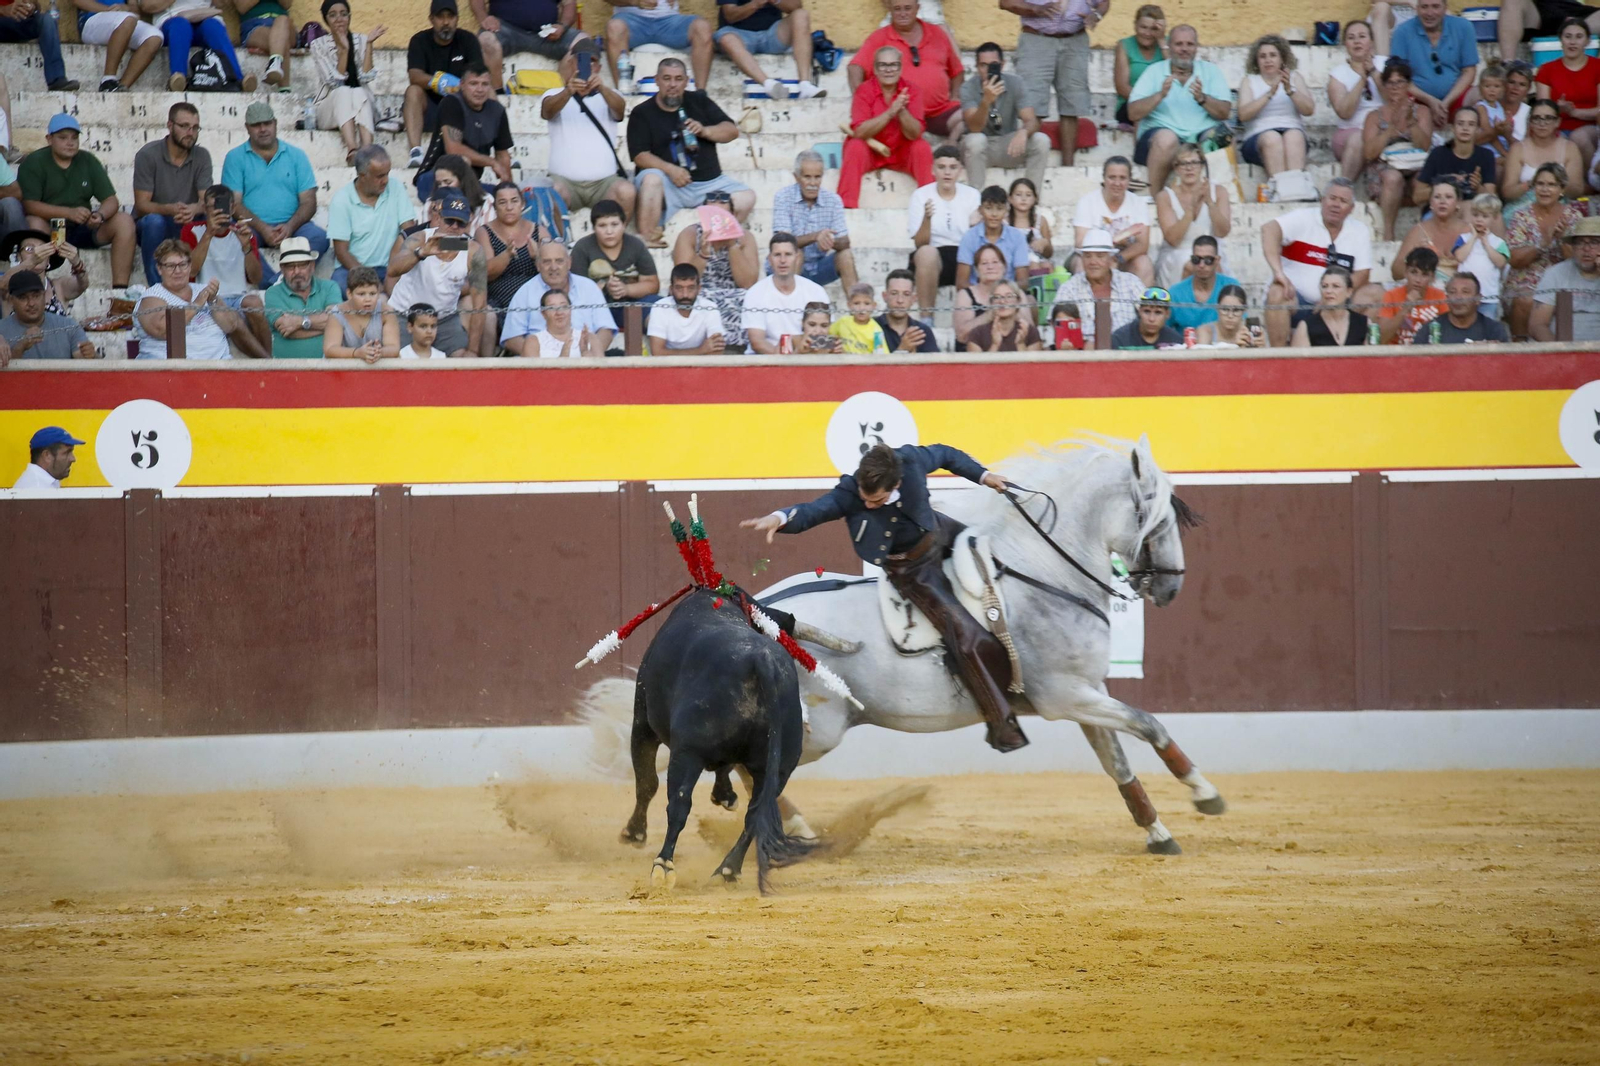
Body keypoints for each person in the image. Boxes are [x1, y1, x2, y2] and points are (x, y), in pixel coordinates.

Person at [740, 441, 1027, 752]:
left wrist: (985, 476)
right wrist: (779, 518)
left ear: (898, 482)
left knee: (1003, 567)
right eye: (866, 498)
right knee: (965, 634)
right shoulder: (851, 492)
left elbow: (947, 455)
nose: (869, 504)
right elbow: (815, 510)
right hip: (912, 569)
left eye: (877, 500)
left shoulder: (911, 461)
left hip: (942, 531)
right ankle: (1001, 721)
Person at [627, 58, 753, 245]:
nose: (672, 85)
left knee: (746, 198)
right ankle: (648, 238)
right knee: (651, 178)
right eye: (667, 78)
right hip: (669, 184)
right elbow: (639, 156)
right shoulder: (642, 112)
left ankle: (716, 240)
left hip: (709, 184)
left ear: (686, 81)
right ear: (657, 80)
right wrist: (671, 170)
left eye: (678, 79)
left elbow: (731, 131)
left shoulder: (699, 101)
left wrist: (705, 130)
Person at [20, 114, 137, 310]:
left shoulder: (87, 160)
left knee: (124, 221)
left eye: (74, 138)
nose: (70, 143)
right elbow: (29, 205)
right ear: (49, 139)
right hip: (50, 228)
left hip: (82, 227)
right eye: (63, 137)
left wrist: (99, 216)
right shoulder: (35, 162)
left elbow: (110, 200)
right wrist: (68, 212)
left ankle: (119, 293)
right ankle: (36, 287)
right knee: (33, 222)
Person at [1262, 178, 1377, 346]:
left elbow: (1363, 273)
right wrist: (1278, 272)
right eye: (1332, 198)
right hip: (1298, 302)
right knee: (1276, 293)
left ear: (1351, 209)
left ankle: (1358, 353)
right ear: (1322, 200)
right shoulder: (1303, 218)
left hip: (1338, 303)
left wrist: (1331, 297)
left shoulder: (1359, 230)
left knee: (1376, 294)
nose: (1336, 204)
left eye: (1343, 201)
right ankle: (1279, 359)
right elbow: (1269, 229)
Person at [1126, 24, 1232, 195]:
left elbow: (1224, 112)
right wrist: (1160, 95)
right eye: (1179, 44)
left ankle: (1216, 201)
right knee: (1167, 138)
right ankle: (1156, 199)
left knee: (1221, 137)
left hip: (1199, 139)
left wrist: (1202, 98)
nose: (1184, 49)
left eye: (1190, 44)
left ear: (1196, 47)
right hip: (1158, 141)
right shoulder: (1154, 71)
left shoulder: (1211, 71)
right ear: (1169, 46)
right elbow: (1132, 113)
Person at [997, 0, 1106, 163]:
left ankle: (1068, 167)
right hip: (1036, 38)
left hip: (1075, 39)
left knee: (1072, 106)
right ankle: (1027, 165)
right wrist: (1035, 8)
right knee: (1032, 107)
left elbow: (1104, 3)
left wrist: (1096, 15)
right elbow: (1005, 3)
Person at [222, 102, 326, 268]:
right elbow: (234, 204)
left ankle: (281, 280)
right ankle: (274, 283)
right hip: (253, 228)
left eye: (267, 123)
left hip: (294, 227)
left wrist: (290, 227)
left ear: (275, 124)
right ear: (247, 128)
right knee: (234, 240)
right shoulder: (235, 157)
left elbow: (309, 202)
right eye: (256, 125)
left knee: (319, 237)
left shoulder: (297, 156)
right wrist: (263, 228)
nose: (263, 129)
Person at [388, 189, 488, 358]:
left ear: (468, 223)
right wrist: (420, 254)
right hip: (405, 316)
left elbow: (480, 304)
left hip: (444, 319)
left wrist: (472, 350)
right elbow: (393, 270)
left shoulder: (472, 250)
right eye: (450, 220)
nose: (454, 227)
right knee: (397, 363)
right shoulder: (420, 238)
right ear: (439, 218)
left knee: (462, 359)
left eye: (460, 223)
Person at [847, 0, 964, 139]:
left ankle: (950, 148)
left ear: (917, 9)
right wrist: (863, 102)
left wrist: (955, 96)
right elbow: (854, 67)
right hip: (900, 115)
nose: (903, 14)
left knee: (968, 117)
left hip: (939, 112)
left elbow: (957, 70)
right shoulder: (879, 37)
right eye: (897, 9)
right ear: (890, 10)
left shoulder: (937, 33)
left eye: (907, 8)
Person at [541, 47, 634, 219]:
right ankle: (556, 244)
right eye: (582, 60)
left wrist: (603, 89)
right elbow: (547, 112)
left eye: (593, 61)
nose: (589, 65)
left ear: (599, 67)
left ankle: (620, 244)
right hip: (565, 182)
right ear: (571, 63)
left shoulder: (610, 94)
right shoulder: (554, 93)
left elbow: (620, 112)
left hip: (604, 184)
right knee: (551, 193)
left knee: (627, 192)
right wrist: (569, 91)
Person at [840, 46, 935, 210]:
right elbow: (860, 132)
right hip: (871, 151)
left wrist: (902, 110)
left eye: (893, 65)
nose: (888, 70)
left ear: (900, 68)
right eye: (883, 65)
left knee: (922, 147)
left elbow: (914, 134)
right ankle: (846, 207)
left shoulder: (913, 91)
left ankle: (931, 207)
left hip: (901, 151)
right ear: (875, 69)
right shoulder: (864, 90)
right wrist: (890, 112)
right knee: (855, 146)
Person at [181, 184, 270, 358]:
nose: (217, 211)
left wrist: (246, 246)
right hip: (207, 298)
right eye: (213, 207)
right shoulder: (191, 230)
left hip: (238, 296)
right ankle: (269, 363)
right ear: (205, 208)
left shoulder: (243, 232)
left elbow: (256, 277)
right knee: (229, 315)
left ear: (232, 208)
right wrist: (208, 234)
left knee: (254, 303)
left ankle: (269, 361)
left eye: (221, 206)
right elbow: (190, 272)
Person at [132, 102, 211, 288]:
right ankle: (158, 288)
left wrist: (194, 208)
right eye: (184, 126)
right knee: (153, 221)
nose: (190, 133)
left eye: (195, 127)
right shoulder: (148, 154)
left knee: (219, 217)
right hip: (157, 222)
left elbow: (206, 199)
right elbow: (142, 204)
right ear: (170, 126)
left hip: (188, 220)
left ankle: (213, 285)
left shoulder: (201, 155)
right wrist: (170, 209)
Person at [137, 239, 253, 360]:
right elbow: (161, 330)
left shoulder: (203, 290)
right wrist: (196, 305)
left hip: (219, 364)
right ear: (159, 269)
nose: (178, 271)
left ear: (190, 266)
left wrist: (212, 300)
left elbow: (230, 326)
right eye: (170, 266)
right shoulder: (152, 296)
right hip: (172, 368)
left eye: (182, 265)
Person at [1506, 162, 1585, 336]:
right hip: (1526, 279)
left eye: (1551, 185)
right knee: (1525, 299)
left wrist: (1563, 239)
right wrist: (1543, 243)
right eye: (1540, 184)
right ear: (1533, 187)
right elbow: (1514, 260)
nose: (1545, 189)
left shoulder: (1574, 217)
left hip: (1564, 280)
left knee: (1565, 300)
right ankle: (1519, 349)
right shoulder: (1521, 216)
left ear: (1561, 189)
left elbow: (1578, 263)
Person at [959, 42, 1050, 191]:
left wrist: (1024, 132)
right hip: (979, 149)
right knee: (976, 141)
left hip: (1008, 145)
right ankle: (975, 199)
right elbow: (974, 128)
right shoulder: (968, 88)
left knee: (1041, 140)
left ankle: (1031, 199)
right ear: (977, 67)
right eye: (983, 65)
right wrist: (986, 101)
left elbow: (1032, 120)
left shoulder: (1016, 83)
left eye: (993, 64)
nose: (988, 70)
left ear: (1002, 65)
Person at [404, 0, 484, 169]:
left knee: (487, 90)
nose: (446, 22)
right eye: (440, 17)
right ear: (431, 19)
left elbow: (479, 76)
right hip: (431, 110)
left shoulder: (468, 40)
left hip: (462, 108)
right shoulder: (419, 40)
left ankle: (502, 150)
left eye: (450, 16)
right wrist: (441, 82)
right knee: (413, 91)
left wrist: (461, 88)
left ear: (457, 19)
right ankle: (416, 153)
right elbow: (414, 76)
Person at [500, 240, 615, 356]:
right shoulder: (525, 292)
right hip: (541, 365)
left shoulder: (589, 287)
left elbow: (606, 330)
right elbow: (512, 339)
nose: (553, 267)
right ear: (538, 265)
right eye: (546, 262)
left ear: (569, 263)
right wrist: (545, 360)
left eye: (559, 261)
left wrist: (588, 355)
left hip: (586, 360)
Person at [416, 63, 512, 199]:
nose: (480, 89)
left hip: (469, 184)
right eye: (473, 84)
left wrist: (509, 191)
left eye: (485, 84)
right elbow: (454, 150)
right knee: (462, 165)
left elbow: (503, 156)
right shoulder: (451, 103)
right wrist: (491, 162)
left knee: (506, 198)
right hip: (434, 179)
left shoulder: (497, 111)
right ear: (462, 85)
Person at [672, 199, 757, 352]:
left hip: (733, 293)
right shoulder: (690, 234)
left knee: (747, 298)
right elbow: (683, 277)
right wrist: (704, 253)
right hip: (698, 291)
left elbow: (748, 283)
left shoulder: (745, 237)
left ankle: (734, 348)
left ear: (732, 216)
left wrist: (732, 245)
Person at [1363, 59, 1433, 241]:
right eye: (1390, 83)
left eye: (1400, 82)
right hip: (1385, 167)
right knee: (1392, 178)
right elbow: (1369, 153)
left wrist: (1411, 124)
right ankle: (1388, 234)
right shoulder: (1374, 116)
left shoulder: (1422, 112)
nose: (1395, 87)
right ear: (1384, 86)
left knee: (1423, 180)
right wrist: (1390, 131)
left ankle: (1426, 233)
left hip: (1415, 163)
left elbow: (1425, 145)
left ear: (1408, 85)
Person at [907, 144, 980, 316]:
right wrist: (927, 218)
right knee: (926, 253)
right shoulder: (921, 195)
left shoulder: (972, 195)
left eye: (953, 168)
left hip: (964, 255)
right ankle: (926, 319)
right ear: (933, 170)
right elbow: (920, 243)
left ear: (960, 170)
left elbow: (976, 237)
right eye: (941, 167)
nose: (947, 173)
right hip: (933, 257)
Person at [309, 0, 384, 164]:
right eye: (333, 15)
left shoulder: (362, 40)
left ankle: (366, 149)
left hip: (361, 101)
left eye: (344, 14)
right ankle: (352, 148)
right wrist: (344, 51)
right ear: (326, 19)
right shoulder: (318, 45)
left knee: (358, 91)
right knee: (343, 91)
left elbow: (366, 77)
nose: (339, 19)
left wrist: (369, 44)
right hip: (329, 108)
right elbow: (334, 82)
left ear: (349, 17)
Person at [329, 145, 409, 295]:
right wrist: (370, 281)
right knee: (338, 288)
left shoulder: (396, 188)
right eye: (380, 176)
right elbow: (341, 252)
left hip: (391, 266)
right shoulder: (341, 200)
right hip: (353, 268)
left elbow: (409, 232)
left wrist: (394, 271)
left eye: (387, 174)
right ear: (362, 175)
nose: (386, 180)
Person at [572, 197, 660, 333]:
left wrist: (626, 289)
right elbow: (576, 290)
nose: (609, 231)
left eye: (614, 224)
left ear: (624, 225)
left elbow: (652, 284)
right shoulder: (582, 248)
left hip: (631, 305)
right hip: (597, 308)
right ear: (593, 228)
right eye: (602, 225)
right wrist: (600, 288)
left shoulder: (636, 245)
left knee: (663, 307)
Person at [1237, 34, 1314, 189]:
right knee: (1271, 138)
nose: (1268, 60)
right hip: (1258, 138)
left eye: (1273, 55)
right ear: (1256, 61)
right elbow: (1243, 115)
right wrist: (1269, 94)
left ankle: (1298, 190)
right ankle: (1280, 190)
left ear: (1282, 58)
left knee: (1294, 135)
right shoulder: (1249, 81)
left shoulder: (1294, 77)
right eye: (1262, 56)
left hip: (1292, 132)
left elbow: (1309, 109)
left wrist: (1290, 91)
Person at [772, 149, 856, 289]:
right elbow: (783, 241)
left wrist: (829, 240)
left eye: (817, 177)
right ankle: (790, 308)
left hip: (818, 267)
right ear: (796, 177)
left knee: (845, 255)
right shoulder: (783, 197)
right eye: (807, 177)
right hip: (786, 266)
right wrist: (816, 236)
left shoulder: (833, 200)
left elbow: (845, 242)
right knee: (796, 254)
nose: (813, 183)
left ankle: (858, 307)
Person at [1388, 0, 1477, 126]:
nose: (1430, 13)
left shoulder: (1463, 27)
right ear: (1417, 8)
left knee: (1481, 96)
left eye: (1435, 7)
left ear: (1445, 7)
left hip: (1455, 97)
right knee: (1402, 101)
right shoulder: (1402, 32)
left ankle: (1479, 144)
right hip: (1418, 99)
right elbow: (1399, 77)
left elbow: (1469, 71)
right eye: (1424, 7)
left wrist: (1445, 103)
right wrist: (1430, 101)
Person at [714, 0, 825, 100]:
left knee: (801, 15)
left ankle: (805, 85)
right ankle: (768, 84)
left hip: (771, 34)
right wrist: (756, 4)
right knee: (726, 39)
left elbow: (796, 6)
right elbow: (730, 15)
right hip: (739, 35)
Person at [1154, 143, 1230, 287]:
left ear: (1202, 166)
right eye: (1183, 164)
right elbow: (1173, 240)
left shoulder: (1219, 191)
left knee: (1211, 262)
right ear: (1176, 168)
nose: (1189, 168)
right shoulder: (1165, 196)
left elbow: (1222, 232)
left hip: (1211, 251)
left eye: (1194, 163)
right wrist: (1190, 210)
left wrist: (1210, 203)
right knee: (1190, 264)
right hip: (1176, 253)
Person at [742, 231, 828, 354]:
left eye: (788, 254)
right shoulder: (755, 293)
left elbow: (825, 334)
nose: (783, 260)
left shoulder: (816, 291)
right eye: (777, 255)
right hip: (766, 360)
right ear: (770, 259)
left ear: (797, 257)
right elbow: (757, 342)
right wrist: (785, 360)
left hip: (805, 358)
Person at [1072, 155, 1152, 285]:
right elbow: (1080, 242)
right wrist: (1112, 243)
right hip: (1092, 256)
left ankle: (1141, 304)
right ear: (1104, 178)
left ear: (1129, 179)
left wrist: (1117, 258)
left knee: (1144, 263)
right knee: (1080, 264)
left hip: (1124, 257)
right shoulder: (1087, 202)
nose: (1117, 183)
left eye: (1122, 178)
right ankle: (1086, 303)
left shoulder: (1138, 203)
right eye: (1112, 177)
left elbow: (1143, 244)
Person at [473, 0, 586, 92]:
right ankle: (497, 95)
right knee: (486, 40)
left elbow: (569, 4)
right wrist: (484, 18)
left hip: (547, 34)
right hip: (505, 30)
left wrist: (562, 26)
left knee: (583, 43)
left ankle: (561, 95)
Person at [1056, 229, 1144, 345]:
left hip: (1127, 350)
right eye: (1087, 256)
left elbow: (1148, 315)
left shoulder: (1131, 283)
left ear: (1111, 259)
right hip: (1083, 354)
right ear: (1082, 259)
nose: (1093, 262)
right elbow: (1060, 327)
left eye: (1100, 256)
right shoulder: (1069, 288)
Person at [1535, 17, 1600, 171]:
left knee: (1579, 137)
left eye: (1579, 37)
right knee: (1558, 140)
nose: (1573, 42)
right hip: (1557, 126)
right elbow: (1542, 109)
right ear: (1561, 40)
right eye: (1568, 36)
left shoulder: (1598, 67)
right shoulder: (1547, 70)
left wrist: (1574, 112)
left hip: (1591, 127)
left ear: (1587, 41)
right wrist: (1557, 108)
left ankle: (1590, 180)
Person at [1503, 98, 1584, 219]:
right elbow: (1507, 192)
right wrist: (1532, 184)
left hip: (1559, 204)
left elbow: (1577, 190)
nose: (1542, 123)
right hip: (1523, 207)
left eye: (1548, 118)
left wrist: (1554, 185)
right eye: (1537, 118)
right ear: (1530, 122)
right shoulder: (1518, 149)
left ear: (1557, 122)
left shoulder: (1569, 148)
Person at [477, 180, 539, 337]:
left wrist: (537, 257)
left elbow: (554, 269)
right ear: (495, 207)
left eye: (514, 201)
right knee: (487, 314)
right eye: (502, 202)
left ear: (522, 204)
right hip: (499, 301)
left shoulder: (538, 230)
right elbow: (486, 273)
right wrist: (506, 255)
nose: (509, 207)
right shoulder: (484, 232)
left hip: (534, 299)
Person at [1328, 21, 1388, 184]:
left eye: (1362, 36)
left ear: (1372, 41)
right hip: (1350, 134)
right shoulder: (1338, 74)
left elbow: (1394, 99)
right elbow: (1344, 112)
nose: (1357, 41)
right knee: (1358, 138)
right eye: (1351, 38)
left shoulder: (1385, 64)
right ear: (1345, 44)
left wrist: (1374, 73)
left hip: (1383, 131)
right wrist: (1362, 79)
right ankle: (1343, 188)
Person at [605, 0, 713, 90]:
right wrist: (635, 2)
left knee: (702, 27)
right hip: (632, 22)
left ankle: (701, 94)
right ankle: (621, 93)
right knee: (615, 27)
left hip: (669, 22)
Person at [261, 237, 341, 358]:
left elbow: (337, 321)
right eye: (290, 267)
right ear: (282, 269)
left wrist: (300, 322)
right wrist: (325, 327)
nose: (297, 271)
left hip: (328, 369)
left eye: (302, 265)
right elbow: (286, 330)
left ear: (312, 266)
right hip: (286, 370)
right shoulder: (273, 293)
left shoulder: (329, 287)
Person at [154, 0, 257, 93]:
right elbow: (147, 6)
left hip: (201, 18)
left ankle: (238, 80)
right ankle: (178, 78)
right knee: (180, 25)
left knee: (213, 26)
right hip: (171, 22)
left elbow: (221, 3)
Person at [1531, 215, 1600, 340]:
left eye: (1594, 242)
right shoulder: (1556, 273)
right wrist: (1561, 353)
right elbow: (1537, 325)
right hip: (1563, 348)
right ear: (1572, 248)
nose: (1586, 249)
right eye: (1579, 243)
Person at [0, 269, 93, 360]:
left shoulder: (69, 326)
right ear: (11, 300)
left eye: (36, 296)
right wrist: (20, 347)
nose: (31, 303)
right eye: (23, 298)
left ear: (44, 296)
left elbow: (87, 365)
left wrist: (90, 355)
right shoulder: (1, 331)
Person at [71, 0, 162, 92]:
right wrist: (107, 10)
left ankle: (122, 86)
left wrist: (127, 8)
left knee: (155, 37)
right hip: (92, 20)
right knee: (127, 19)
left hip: (123, 19)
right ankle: (108, 80)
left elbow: (135, 10)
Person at [1395, 182, 1470, 288]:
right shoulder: (1418, 231)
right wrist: (1416, 260)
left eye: (1448, 197)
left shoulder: (1470, 231)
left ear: (1458, 202)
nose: (1442, 202)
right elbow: (1396, 271)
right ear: (1431, 203)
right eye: (1437, 197)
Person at [1418, 108, 1498, 207]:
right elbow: (1417, 196)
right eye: (1460, 123)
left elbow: (1492, 200)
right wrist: (1446, 184)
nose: (1465, 128)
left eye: (1471, 124)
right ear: (1452, 128)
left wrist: (1478, 188)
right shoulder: (1438, 153)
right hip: (1441, 209)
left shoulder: (1486, 155)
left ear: (1478, 130)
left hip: (1472, 211)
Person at [956, 184, 1031, 288]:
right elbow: (961, 283)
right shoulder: (969, 237)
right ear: (980, 210)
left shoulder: (1017, 237)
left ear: (1006, 211)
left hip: (1008, 296)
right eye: (988, 208)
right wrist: (982, 294)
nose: (994, 214)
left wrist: (1002, 293)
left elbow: (1023, 281)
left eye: (999, 209)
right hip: (977, 295)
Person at [0, 230, 88, 316]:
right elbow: (2, 285)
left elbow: (82, 284)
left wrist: (77, 263)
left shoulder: (58, 287)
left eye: (43, 249)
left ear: (48, 260)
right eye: (29, 248)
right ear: (18, 257)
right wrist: (32, 261)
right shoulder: (9, 286)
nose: (37, 253)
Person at [323, 265, 399, 362]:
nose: (368, 299)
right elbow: (330, 349)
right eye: (361, 294)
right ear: (349, 294)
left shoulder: (386, 311)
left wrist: (378, 352)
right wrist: (357, 353)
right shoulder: (337, 313)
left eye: (372, 294)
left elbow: (393, 348)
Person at [1453, 192, 1510, 318]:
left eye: (1484, 216)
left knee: (1488, 330)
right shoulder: (1463, 239)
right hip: (1465, 298)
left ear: (1494, 218)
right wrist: (1473, 238)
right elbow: (1459, 257)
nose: (1479, 219)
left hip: (1488, 297)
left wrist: (1486, 244)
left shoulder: (1498, 242)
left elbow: (1500, 262)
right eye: (1475, 215)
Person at [0, 0, 78, 91]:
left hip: (16, 21)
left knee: (47, 20)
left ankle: (56, 79)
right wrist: (3, 10)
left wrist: (31, 7)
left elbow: (36, 5)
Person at [648, 263, 725, 354]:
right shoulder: (659, 307)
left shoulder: (710, 307)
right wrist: (700, 350)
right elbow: (657, 352)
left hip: (701, 366)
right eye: (679, 288)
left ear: (699, 289)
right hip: (669, 366)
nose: (685, 295)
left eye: (691, 288)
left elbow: (717, 350)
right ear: (671, 289)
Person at [1168, 236, 1241, 332]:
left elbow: (1241, 324)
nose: (1201, 265)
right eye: (1196, 259)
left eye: (1208, 260)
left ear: (1217, 261)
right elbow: (1164, 330)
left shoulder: (1231, 287)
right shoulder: (1175, 293)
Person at [1377, 247, 1448, 343]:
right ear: (1405, 272)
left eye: (1425, 274)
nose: (1418, 280)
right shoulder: (1391, 295)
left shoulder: (1440, 296)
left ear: (1432, 277)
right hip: (1397, 354)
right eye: (1414, 272)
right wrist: (1405, 308)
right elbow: (1381, 338)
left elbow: (1447, 332)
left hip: (1429, 353)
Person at [1416, 271, 1511, 342]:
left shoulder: (1493, 330)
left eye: (1465, 292)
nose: (1458, 297)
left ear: (1478, 299)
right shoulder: (1430, 329)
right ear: (1447, 298)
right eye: (1453, 292)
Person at [1497, 0, 1600, 64]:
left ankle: (1574, 27)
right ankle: (1508, 64)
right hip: (1543, 9)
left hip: (1580, 13)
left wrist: (1576, 24)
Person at [952, 242, 1013, 347]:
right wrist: (991, 314)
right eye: (984, 263)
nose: (990, 267)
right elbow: (962, 335)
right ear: (976, 270)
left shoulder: (1016, 293)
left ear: (1004, 267)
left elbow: (1029, 329)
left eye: (995, 262)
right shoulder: (965, 294)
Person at [1291, 266, 1370, 347]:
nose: (1328, 291)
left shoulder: (1364, 323)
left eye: (1336, 286)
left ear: (1349, 292)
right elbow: (1298, 359)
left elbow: (1373, 356)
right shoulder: (1305, 326)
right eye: (1324, 286)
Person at [1113, 4, 1165, 127]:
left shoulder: (1167, 44)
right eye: (1143, 27)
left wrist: (1162, 42)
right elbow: (1122, 87)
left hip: (1164, 105)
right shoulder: (1125, 45)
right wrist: (1148, 103)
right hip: (1132, 104)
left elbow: (1179, 73)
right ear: (1135, 25)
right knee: (1142, 116)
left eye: (1153, 29)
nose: (1147, 33)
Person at [964, 279, 1041, 352]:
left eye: (1009, 296)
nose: (1002, 301)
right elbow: (977, 366)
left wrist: (1020, 344)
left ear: (1018, 301)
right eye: (997, 297)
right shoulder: (977, 334)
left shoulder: (1030, 332)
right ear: (991, 303)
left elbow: (1033, 365)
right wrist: (995, 345)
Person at [233, 0, 294, 89]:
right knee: (281, 39)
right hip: (256, 25)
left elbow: (287, 4)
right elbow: (242, 7)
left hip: (284, 25)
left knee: (282, 21)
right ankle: (284, 88)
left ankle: (275, 64)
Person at [878, 268, 938, 353]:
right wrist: (902, 350)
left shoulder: (922, 331)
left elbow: (934, 365)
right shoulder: (871, 326)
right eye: (894, 293)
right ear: (885, 296)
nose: (900, 300)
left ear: (913, 299)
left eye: (906, 294)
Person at [530, 288, 602, 357]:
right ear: (543, 313)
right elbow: (531, 369)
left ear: (570, 309)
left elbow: (601, 368)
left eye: (563, 306)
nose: (559, 312)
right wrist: (562, 358)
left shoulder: (590, 338)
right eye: (551, 308)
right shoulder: (533, 341)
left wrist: (584, 352)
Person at [1110, 286, 1182, 349]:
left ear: (1167, 314)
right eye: (1147, 311)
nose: (1151, 319)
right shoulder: (1119, 339)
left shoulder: (1176, 342)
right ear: (1139, 311)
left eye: (1158, 312)